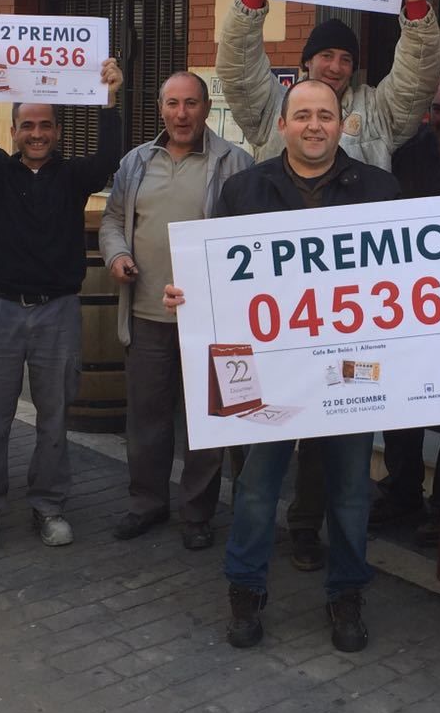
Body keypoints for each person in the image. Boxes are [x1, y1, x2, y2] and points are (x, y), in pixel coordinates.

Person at [216, 0, 440, 570]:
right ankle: (252, 562)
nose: (335, 68)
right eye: (325, 58)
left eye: (346, 59)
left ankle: (310, 533)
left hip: (349, 315)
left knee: (336, 439)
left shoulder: (379, 113)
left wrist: (415, 0)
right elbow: (236, 63)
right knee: (263, 442)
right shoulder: (271, 109)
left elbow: (419, 75)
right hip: (274, 310)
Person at [164, 79, 401, 653]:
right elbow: (219, 275)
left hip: (349, 365)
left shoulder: (380, 190)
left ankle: (346, 592)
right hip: (264, 367)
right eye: (303, 116)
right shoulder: (245, 189)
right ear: (283, 126)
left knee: (348, 490)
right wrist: (189, 294)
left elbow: (416, 269)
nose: (314, 125)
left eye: (325, 115)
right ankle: (245, 590)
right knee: (255, 487)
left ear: (345, 122)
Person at [0, 43, 125, 552]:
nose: (36, 134)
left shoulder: (73, 177)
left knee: (54, 418)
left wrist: (110, 100)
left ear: (58, 133)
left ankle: (49, 505)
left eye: (46, 126)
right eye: (27, 126)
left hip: (58, 313)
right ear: (14, 131)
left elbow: (109, 157)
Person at [99, 72, 253, 549]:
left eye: (191, 104)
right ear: (160, 109)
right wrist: (117, 255)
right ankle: (146, 503)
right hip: (147, 314)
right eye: (172, 104)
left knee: (205, 423)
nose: (181, 114)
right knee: (146, 418)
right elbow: (111, 219)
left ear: (207, 108)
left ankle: (197, 512)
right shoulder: (136, 162)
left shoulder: (236, 163)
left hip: (210, 320)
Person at [370, 74, 440, 530]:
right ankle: (402, 490)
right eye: (438, 110)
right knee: (400, 397)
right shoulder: (407, 155)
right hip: (406, 299)